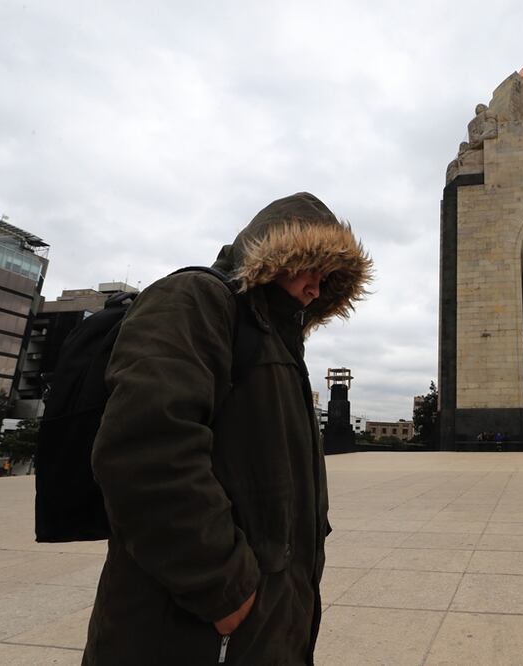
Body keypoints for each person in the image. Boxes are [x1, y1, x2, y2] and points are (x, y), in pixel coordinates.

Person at [83, 193, 373, 665]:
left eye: (328, 280)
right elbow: (145, 451)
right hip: (186, 630)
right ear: (281, 254)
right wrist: (222, 587)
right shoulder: (195, 300)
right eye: (312, 269)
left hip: (265, 629)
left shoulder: (280, 344)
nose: (317, 290)